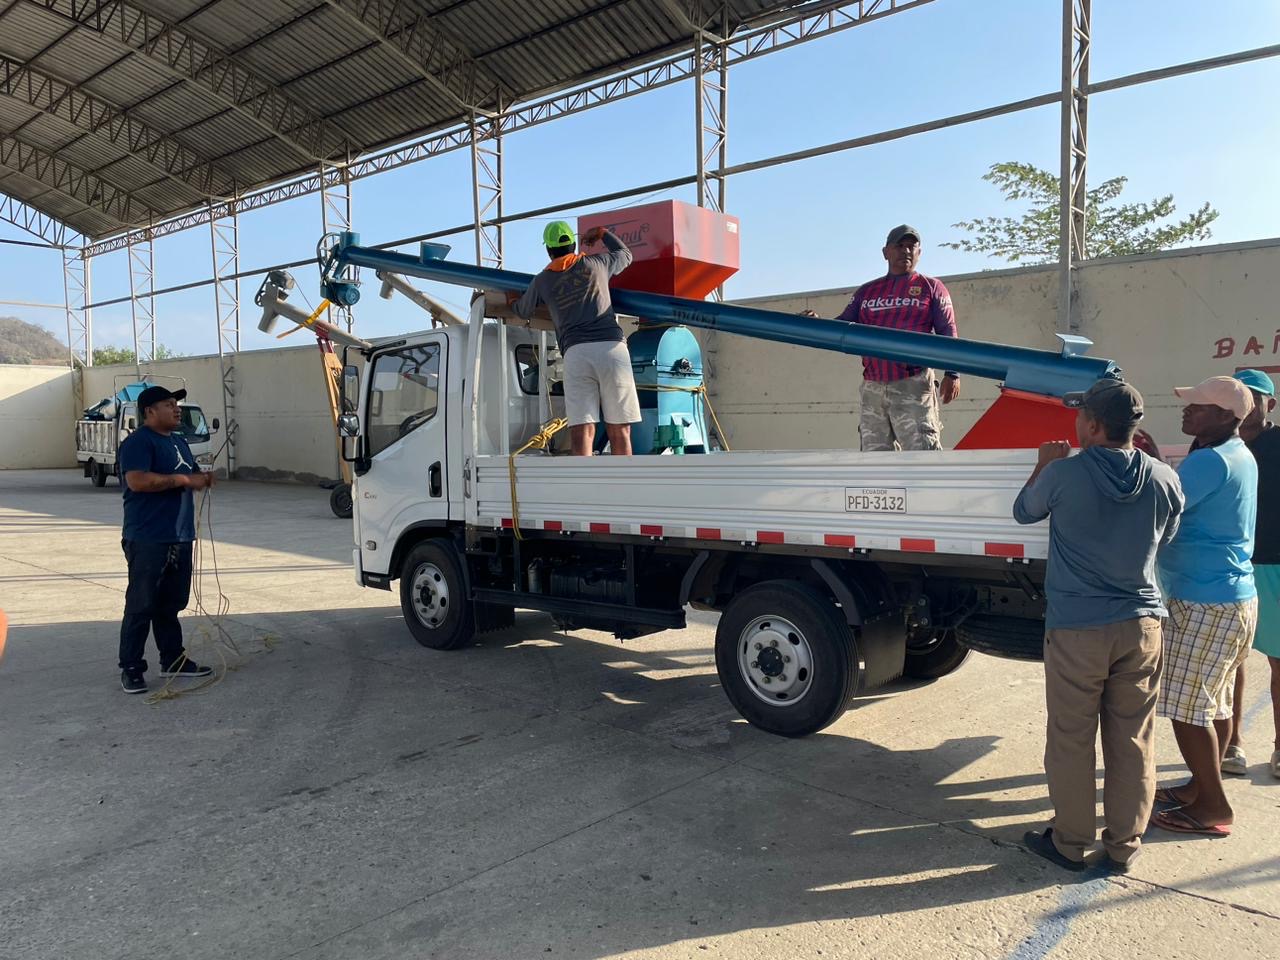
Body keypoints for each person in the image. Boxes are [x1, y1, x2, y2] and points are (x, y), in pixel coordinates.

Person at [1012, 379, 1183, 872]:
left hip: (1078, 629)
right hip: (1142, 625)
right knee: (1133, 739)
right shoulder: (1164, 477)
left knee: (1072, 737)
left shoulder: (1063, 474)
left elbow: (1023, 512)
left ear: (1092, 424)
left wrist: (1043, 463)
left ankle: (1070, 842)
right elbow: (1168, 535)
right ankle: (1125, 843)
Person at [1151, 376, 1258, 836]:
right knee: (1211, 703)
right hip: (1230, 597)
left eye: (1198, 405)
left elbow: (1157, 504)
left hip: (1203, 599)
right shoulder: (1236, 453)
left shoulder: (1210, 461)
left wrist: (1142, 462)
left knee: (1186, 708)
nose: (1187, 409)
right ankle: (1200, 787)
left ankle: (1213, 806)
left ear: (1224, 416)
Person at [511, 221, 640, 456]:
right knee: (620, 429)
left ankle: (584, 478)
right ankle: (625, 478)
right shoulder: (597, 263)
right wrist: (602, 233)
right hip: (612, 349)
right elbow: (625, 255)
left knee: (582, 430)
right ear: (572, 244)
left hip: (576, 353)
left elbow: (522, 310)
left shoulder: (542, 281)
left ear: (548, 250)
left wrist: (512, 300)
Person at [117, 385, 214, 694]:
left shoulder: (179, 442)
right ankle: (131, 667)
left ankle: (172, 658)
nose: (176, 409)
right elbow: (138, 481)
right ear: (149, 411)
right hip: (148, 537)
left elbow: (191, 474)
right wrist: (183, 479)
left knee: (171, 603)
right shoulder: (138, 442)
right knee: (141, 604)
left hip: (180, 535)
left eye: (176, 404)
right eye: (169, 404)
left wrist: (201, 479)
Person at [836, 224, 960, 451]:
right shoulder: (867, 291)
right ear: (886, 252)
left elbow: (947, 330)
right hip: (873, 386)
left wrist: (952, 373)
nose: (906, 251)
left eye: (912, 246)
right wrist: (815, 322)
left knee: (923, 455)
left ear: (919, 252)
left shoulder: (931, 287)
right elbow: (843, 325)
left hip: (913, 383)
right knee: (875, 460)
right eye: (900, 246)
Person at [1222, 369, 1280, 779]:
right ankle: (1231, 744)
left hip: (1276, 567)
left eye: (1252, 396)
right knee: (1231, 661)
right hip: (1230, 568)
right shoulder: (1215, 443)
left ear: (1269, 404)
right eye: (1237, 395)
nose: (1243, 403)